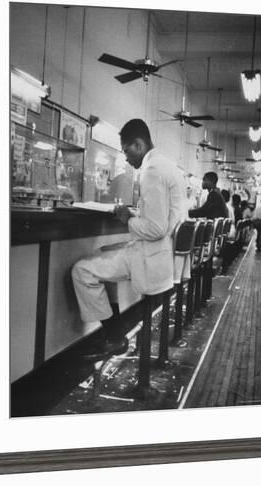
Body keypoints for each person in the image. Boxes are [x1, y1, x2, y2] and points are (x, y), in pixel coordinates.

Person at [72, 119, 184, 359]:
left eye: (126, 151)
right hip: (160, 256)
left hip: (149, 256)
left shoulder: (151, 172)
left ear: (139, 144)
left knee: (82, 270)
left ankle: (114, 337)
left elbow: (155, 229)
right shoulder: (166, 165)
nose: (126, 158)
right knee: (103, 254)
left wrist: (127, 218)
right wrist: (137, 215)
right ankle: (114, 334)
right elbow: (163, 221)